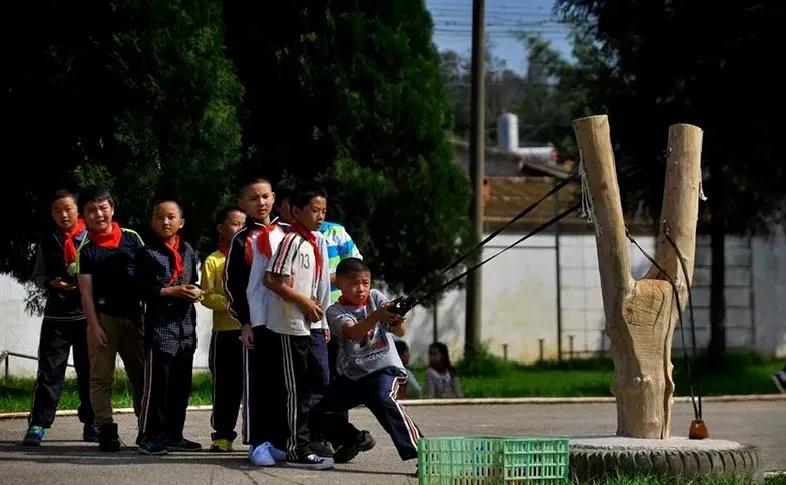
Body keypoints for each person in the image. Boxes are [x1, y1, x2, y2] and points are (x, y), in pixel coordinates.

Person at [311, 257, 423, 464]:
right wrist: (377, 316)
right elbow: (353, 332)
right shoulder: (334, 311)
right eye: (354, 284)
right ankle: (353, 439)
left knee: (384, 399)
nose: (361, 289)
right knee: (317, 410)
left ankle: (424, 454)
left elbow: (399, 331)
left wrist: (397, 318)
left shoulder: (376, 297)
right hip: (354, 377)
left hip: (385, 371)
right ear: (340, 284)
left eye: (365, 283)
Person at [263, 181, 333, 470]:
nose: (320, 216)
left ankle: (293, 442)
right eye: (314, 210)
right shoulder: (291, 240)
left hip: (307, 326)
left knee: (307, 386)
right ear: (297, 211)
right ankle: (296, 448)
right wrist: (303, 302)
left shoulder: (314, 242)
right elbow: (272, 279)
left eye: (324, 210)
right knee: (296, 389)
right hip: (290, 325)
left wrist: (320, 317)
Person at [22, 189, 97, 446]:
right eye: (57, 210)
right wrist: (52, 283)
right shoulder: (49, 240)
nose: (63, 215)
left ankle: (92, 422)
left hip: (87, 316)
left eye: (68, 209)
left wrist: (85, 285)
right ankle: (39, 424)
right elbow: (38, 275)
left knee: (90, 372)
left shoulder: (93, 237)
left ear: (79, 210)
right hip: (57, 317)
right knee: (50, 371)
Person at [75, 186, 146, 452]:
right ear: (84, 216)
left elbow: (146, 273)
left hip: (135, 317)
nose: (98, 214)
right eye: (91, 210)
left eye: (103, 207)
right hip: (103, 318)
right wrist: (93, 326)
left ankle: (146, 426)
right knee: (101, 377)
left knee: (140, 374)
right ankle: (105, 429)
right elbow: (85, 293)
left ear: (112, 209)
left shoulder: (132, 238)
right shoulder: (86, 249)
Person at [224, 177, 288, 465]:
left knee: (284, 384)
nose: (260, 203)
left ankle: (281, 439)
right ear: (242, 204)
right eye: (253, 198)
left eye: (265, 196)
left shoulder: (288, 235)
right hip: (258, 323)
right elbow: (233, 286)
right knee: (257, 383)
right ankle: (257, 442)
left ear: (273, 198)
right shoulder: (240, 240)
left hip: (288, 322)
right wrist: (245, 323)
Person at [135, 199, 203, 455]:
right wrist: (170, 291)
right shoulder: (146, 253)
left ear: (181, 222)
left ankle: (174, 434)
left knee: (180, 387)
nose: (165, 222)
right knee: (157, 388)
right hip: (159, 330)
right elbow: (140, 290)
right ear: (152, 222)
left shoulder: (188, 250)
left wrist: (196, 291)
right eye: (159, 217)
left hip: (185, 329)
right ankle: (149, 436)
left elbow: (193, 281)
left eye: (171, 217)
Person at [200, 207, 246, 451]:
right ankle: (223, 435)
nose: (240, 228)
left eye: (243, 223)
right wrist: (231, 303)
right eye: (235, 223)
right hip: (226, 333)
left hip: (255, 332)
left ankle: (259, 436)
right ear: (221, 228)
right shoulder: (214, 260)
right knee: (225, 386)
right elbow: (206, 296)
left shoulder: (255, 257)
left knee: (256, 386)